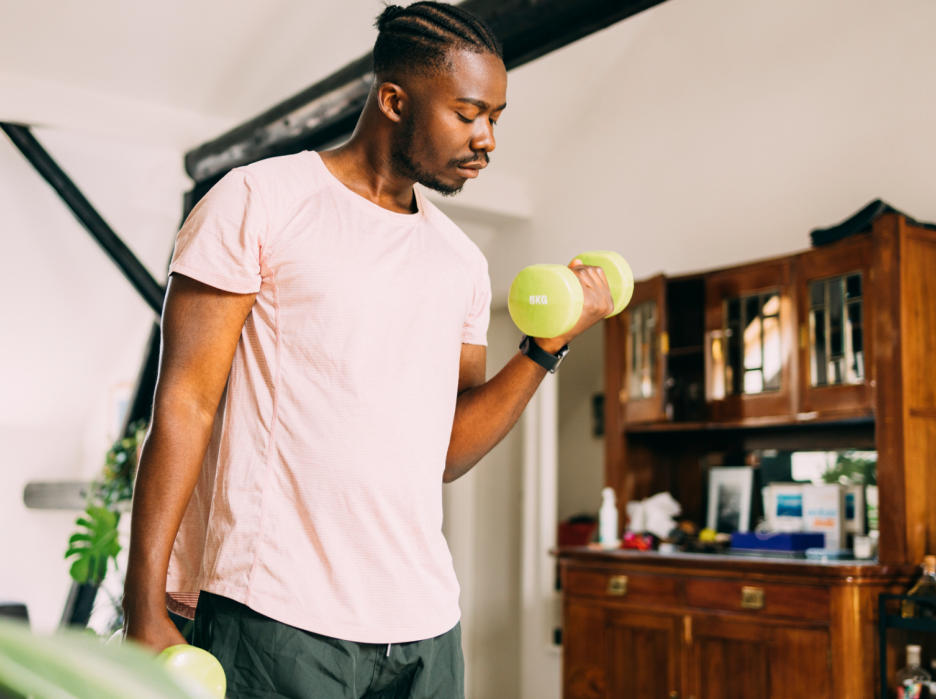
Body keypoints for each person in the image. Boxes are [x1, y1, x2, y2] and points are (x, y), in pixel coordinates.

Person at [121, 3, 611, 697]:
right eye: (469, 113)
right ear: (394, 100)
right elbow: (184, 404)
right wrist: (143, 603)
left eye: (495, 117)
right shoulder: (259, 200)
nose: (487, 139)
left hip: (425, 625)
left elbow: (447, 449)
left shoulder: (461, 262)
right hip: (276, 615)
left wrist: (545, 348)